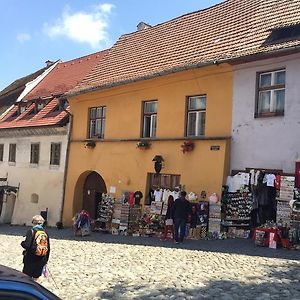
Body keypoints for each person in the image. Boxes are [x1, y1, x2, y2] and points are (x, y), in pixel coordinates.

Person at [21, 215, 50, 281]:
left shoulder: (31, 231)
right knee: (36, 279)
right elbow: (48, 248)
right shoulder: (45, 233)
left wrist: (22, 243)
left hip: (31, 259)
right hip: (41, 259)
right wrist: (45, 260)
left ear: (33, 222)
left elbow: (27, 245)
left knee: (26, 277)